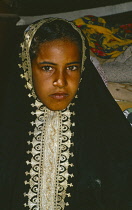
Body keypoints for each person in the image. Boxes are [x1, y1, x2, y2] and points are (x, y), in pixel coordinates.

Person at [0, 17, 132, 210]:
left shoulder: (108, 136)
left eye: (71, 68)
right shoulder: (7, 135)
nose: (60, 81)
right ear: (27, 68)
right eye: (47, 68)